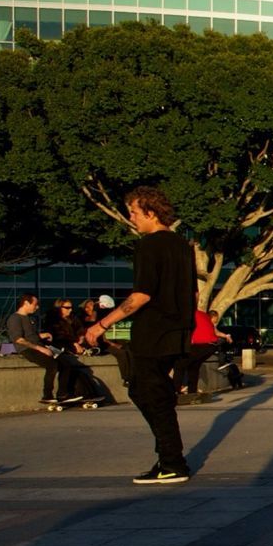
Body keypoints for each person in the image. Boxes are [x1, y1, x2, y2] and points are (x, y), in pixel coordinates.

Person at [85, 187, 196, 485]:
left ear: (151, 212)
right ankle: (168, 459)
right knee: (151, 392)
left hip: (154, 331)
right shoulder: (183, 246)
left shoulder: (149, 246)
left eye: (133, 212)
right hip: (178, 330)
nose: (130, 218)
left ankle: (173, 462)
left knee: (149, 393)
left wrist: (101, 324)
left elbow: (140, 296)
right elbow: (192, 292)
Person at [6, 293, 82, 405]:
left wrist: (44, 335)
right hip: (27, 349)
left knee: (66, 365)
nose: (37, 307)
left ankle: (62, 394)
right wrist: (40, 349)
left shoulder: (29, 318)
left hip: (40, 346)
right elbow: (19, 339)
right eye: (35, 304)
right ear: (26, 303)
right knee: (52, 365)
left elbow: (32, 336)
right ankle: (47, 395)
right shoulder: (15, 318)